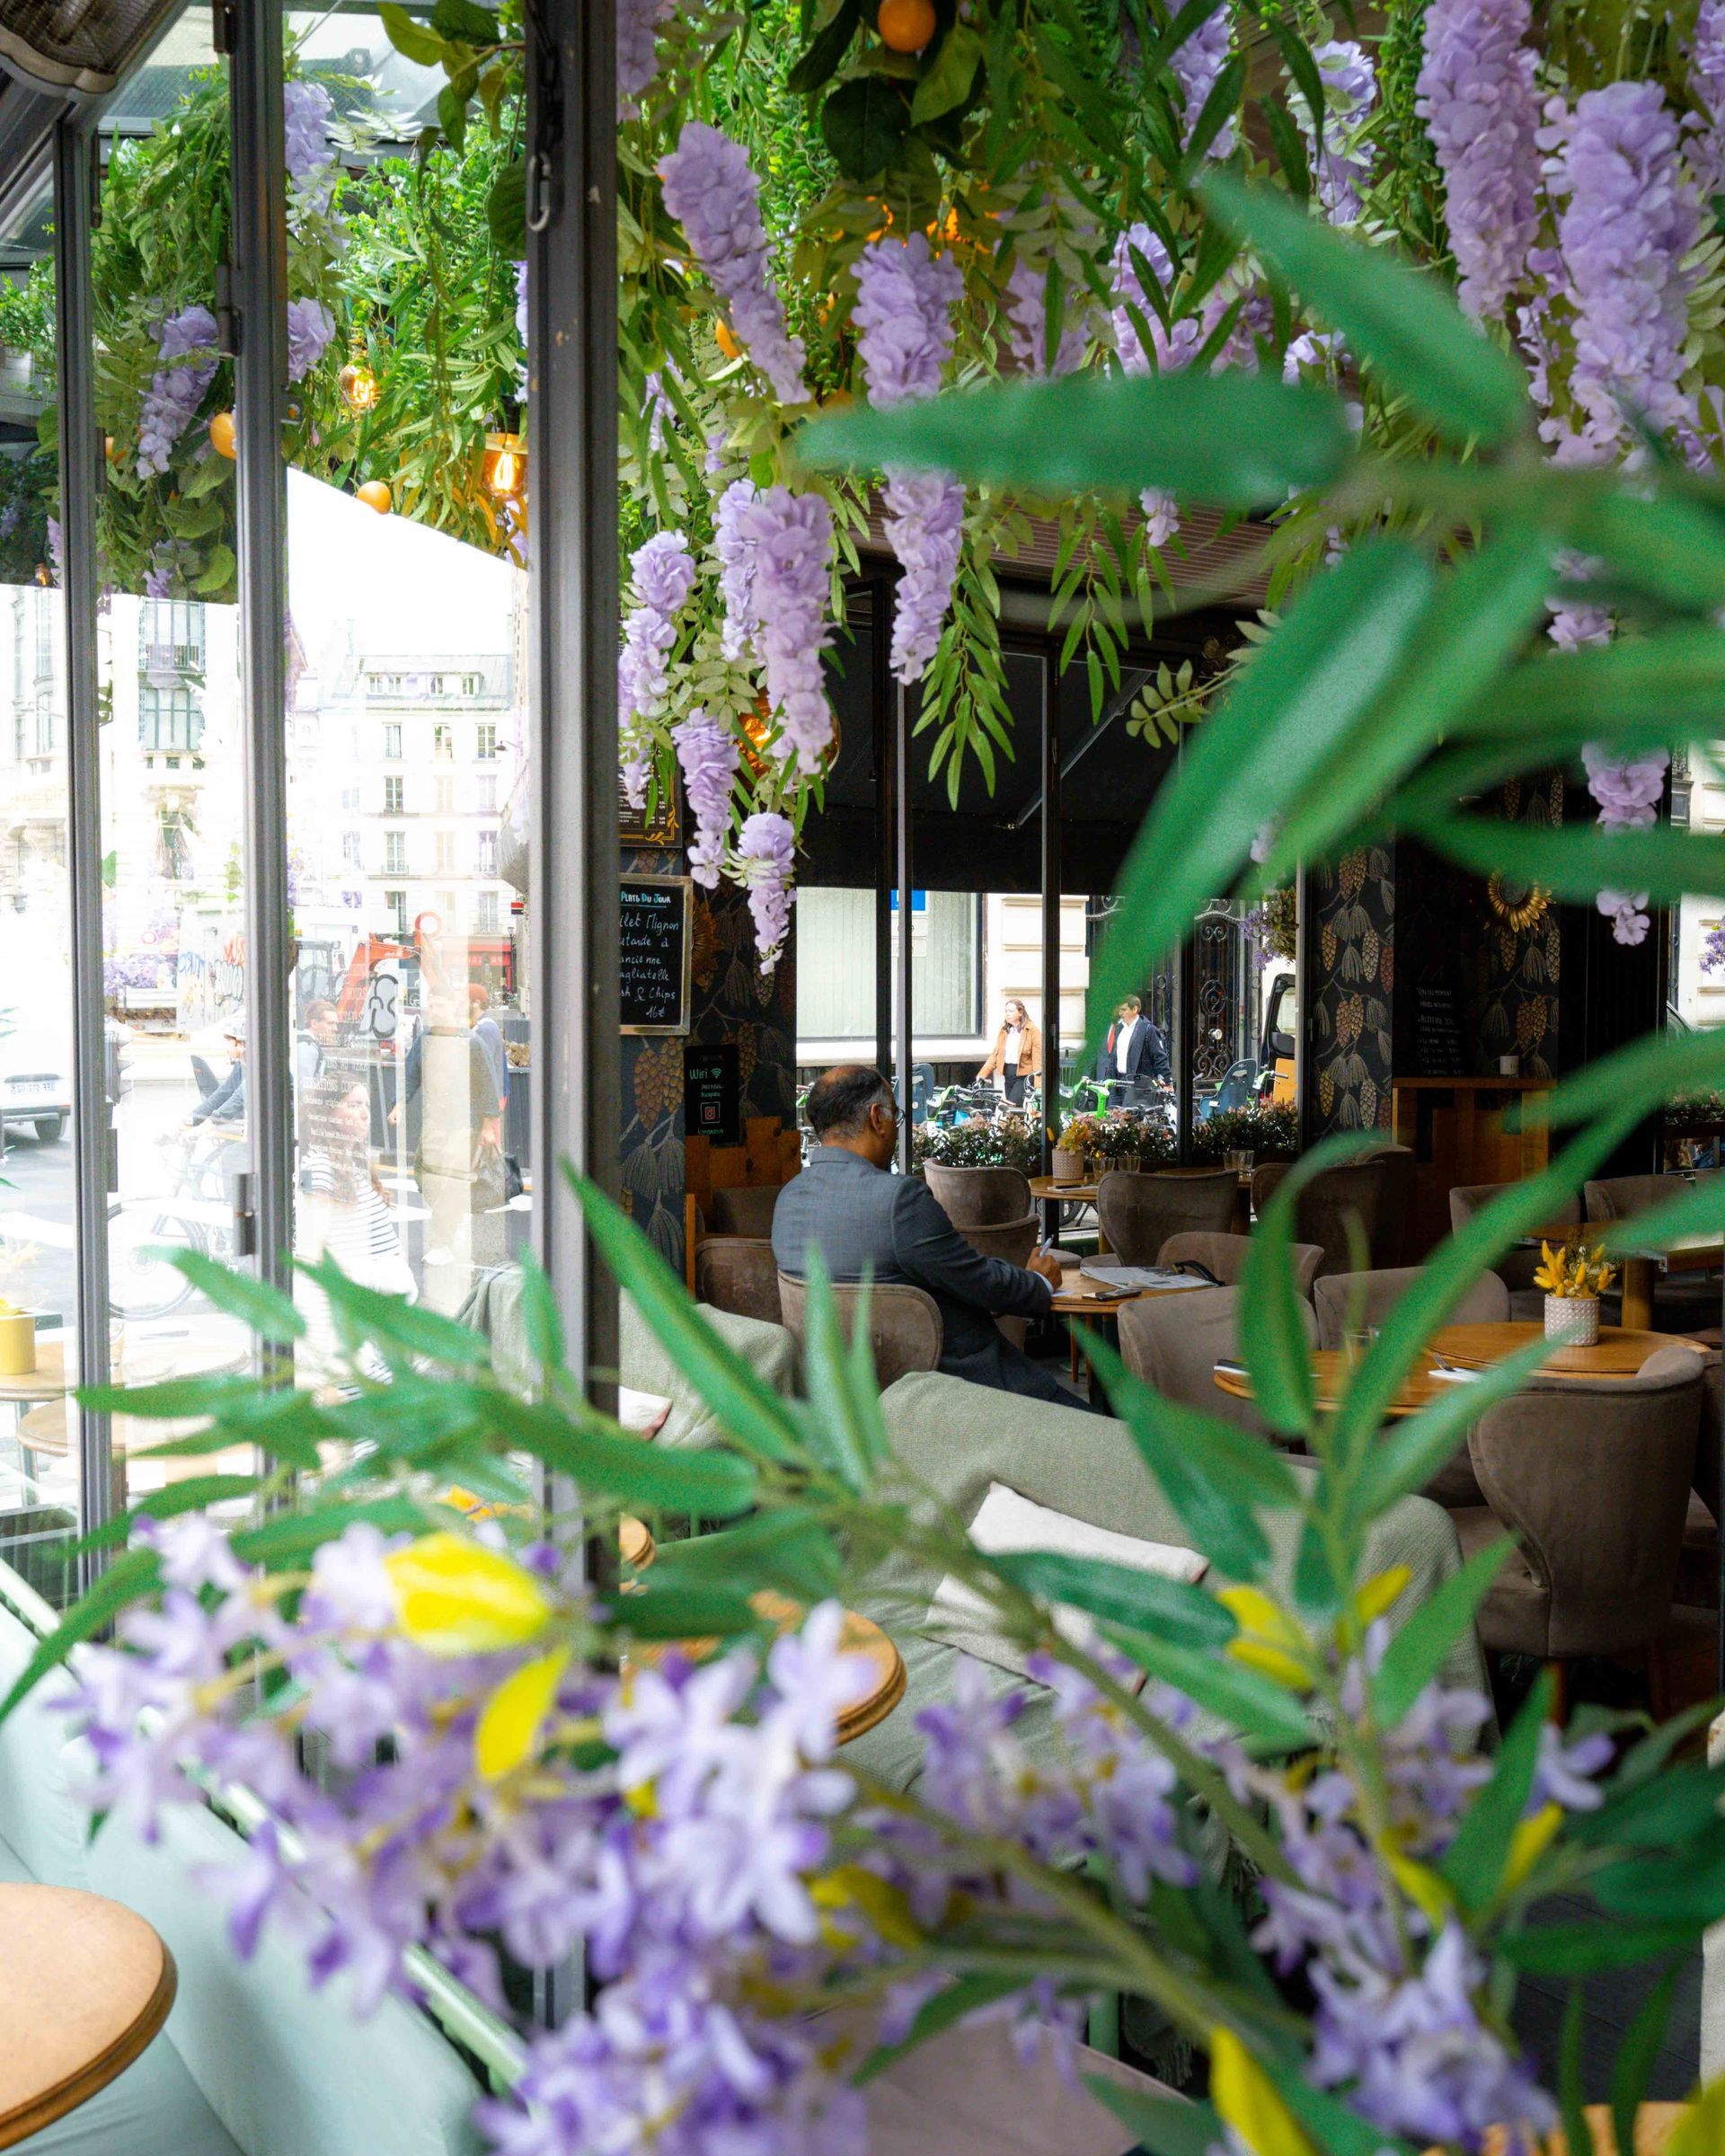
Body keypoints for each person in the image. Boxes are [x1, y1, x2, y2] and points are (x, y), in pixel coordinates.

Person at [773, 1065, 1095, 1409]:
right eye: (895, 1117)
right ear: (877, 1118)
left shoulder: (788, 1199)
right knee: (1117, 1441)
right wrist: (1037, 1284)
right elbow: (977, 1281)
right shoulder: (899, 1201)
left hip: (855, 1405)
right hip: (958, 1395)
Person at [296, 1073, 415, 1367]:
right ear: (329, 1114)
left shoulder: (354, 1164)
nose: (364, 1114)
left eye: (366, 1105)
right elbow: (315, 1253)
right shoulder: (321, 1168)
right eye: (353, 1105)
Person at [1095, 994, 1170, 1103]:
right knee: (1114, 1116)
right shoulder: (1120, 1029)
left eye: (1124, 1010)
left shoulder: (1149, 1029)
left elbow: (1160, 1057)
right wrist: (1107, 1079)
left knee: (1129, 1118)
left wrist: (1167, 1081)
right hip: (1117, 1084)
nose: (1120, 1013)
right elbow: (1113, 1057)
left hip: (1137, 1086)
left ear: (1135, 1009)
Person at [976, 997, 1042, 1107]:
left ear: (1020, 1012)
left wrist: (1038, 1084)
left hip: (1023, 1076)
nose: (1007, 1014)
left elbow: (1038, 1057)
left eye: (1011, 1011)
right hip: (1008, 1074)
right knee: (1014, 1111)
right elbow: (996, 1055)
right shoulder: (1005, 1031)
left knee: (1011, 1107)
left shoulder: (1032, 1030)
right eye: (1006, 1011)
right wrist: (982, 1074)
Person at [188, 1016, 246, 1127]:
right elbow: (223, 1093)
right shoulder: (242, 1065)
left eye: (229, 1041)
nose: (226, 1047)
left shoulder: (258, 1068)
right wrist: (193, 1118)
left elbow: (238, 1099)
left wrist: (208, 1125)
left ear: (241, 1043)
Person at [468, 982, 509, 1117]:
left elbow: (483, 1070)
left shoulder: (485, 1030)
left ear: (476, 1003)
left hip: (489, 1103)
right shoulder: (483, 1027)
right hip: (489, 1100)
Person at [296, 998, 339, 1095]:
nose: (335, 1029)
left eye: (336, 1024)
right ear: (314, 1023)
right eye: (330, 1023)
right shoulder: (307, 1047)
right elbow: (303, 1090)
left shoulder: (304, 1043)